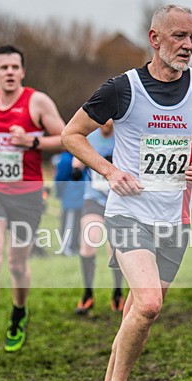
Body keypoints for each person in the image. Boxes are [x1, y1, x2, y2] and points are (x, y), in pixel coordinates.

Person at [61, 4, 192, 381]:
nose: (188, 45)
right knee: (150, 304)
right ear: (155, 39)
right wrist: (109, 170)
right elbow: (70, 135)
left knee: (138, 310)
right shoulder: (123, 88)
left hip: (176, 219)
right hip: (128, 214)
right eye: (179, 36)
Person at [0, 44, 66, 358]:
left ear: (22, 72)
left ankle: (19, 312)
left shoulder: (37, 102)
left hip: (27, 195)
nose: (9, 72)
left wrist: (31, 141)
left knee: (17, 264)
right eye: (4, 67)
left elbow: (66, 138)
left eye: (14, 67)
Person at [71, 120, 126, 315]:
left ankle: (117, 293)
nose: (105, 122)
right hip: (93, 199)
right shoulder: (89, 137)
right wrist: (76, 168)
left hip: (118, 200)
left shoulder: (123, 136)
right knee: (88, 242)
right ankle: (87, 294)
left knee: (114, 249)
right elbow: (77, 158)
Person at [54, 150, 84, 256]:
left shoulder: (66, 158)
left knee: (71, 224)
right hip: (73, 196)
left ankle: (70, 248)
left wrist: (59, 192)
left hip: (74, 197)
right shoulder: (67, 158)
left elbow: (60, 178)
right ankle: (68, 248)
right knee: (72, 223)